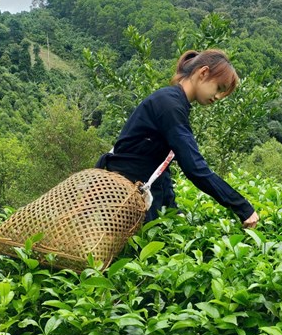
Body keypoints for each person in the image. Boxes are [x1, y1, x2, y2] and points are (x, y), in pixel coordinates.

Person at [95, 49, 259, 229]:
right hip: (125, 196)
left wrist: (172, 209)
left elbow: (160, 165)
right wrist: (242, 207)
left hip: (135, 191)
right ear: (203, 73)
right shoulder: (170, 105)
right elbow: (195, 167)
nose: (218, 97)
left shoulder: (174, 102)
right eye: (219, 88)